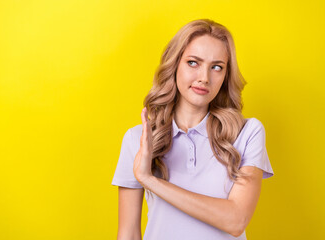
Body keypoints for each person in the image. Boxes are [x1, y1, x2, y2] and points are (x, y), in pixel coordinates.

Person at [111, 18, 274, 240]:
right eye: (193, 63)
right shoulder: (138, 139)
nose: (204, 78)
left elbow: (236, 220)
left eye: (217, 67)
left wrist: (150, 180)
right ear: (175, 64)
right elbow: (128, 233)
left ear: (226, 76)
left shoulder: (247, 133)